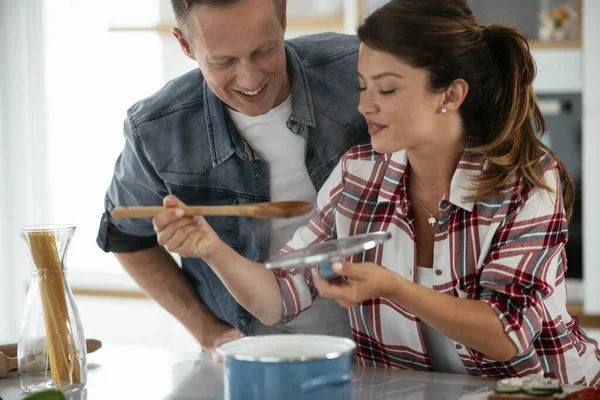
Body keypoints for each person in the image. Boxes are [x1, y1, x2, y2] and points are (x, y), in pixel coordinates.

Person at [152, 0, 600, 384]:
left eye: (387, 88)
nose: (365, 105)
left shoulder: (525, 182)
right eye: (363, 86)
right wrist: (208, 246)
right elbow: (277, 298)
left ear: (450, 94)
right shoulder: (358, 174)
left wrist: (394, 288)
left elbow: (507, 335)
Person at [96, 0, 369, 359]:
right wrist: (208, 332)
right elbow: (125, 237)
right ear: (185, 45)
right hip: (251, 355)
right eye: (223, 62)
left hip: (380, 349)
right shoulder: (155, 129)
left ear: (283, 16)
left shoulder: (359, 69)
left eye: (264, 50)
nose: (250, 79)